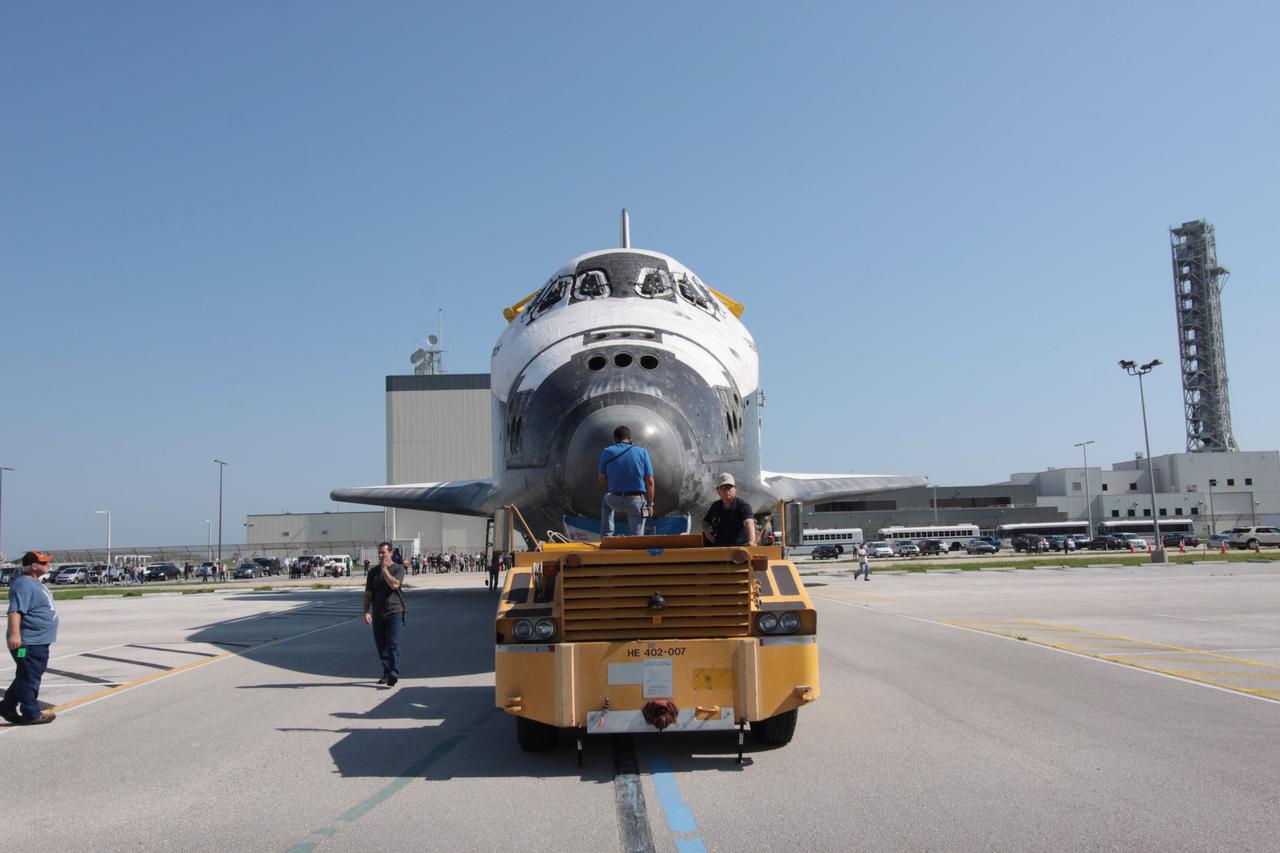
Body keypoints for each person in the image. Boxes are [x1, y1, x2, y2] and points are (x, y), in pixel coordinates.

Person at [2, 551, 60, 726]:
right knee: (30, 677)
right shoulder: (23, 585)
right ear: (34, 566)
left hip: (39, 640)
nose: (47, 566)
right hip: (28, 642)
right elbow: (15, 611)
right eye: (44, 563)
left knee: (26, 675)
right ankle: (30, 712)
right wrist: (15, 635)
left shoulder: (34, 583)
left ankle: (7, 706)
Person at [598, 425, 655, 538]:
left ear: (615, 439)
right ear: (630, 438)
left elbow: (601, 480)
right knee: (637, 537)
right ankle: (636, 542)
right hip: (636, 501)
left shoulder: (607, 452)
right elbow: (650, 481)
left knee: (606, 501)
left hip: (615, 500)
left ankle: (607, 537)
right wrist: (650, 504)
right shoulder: (642, 452)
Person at [363, 542, 406, 687]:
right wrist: (366, 611)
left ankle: (393, 673)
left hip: (395, 611)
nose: (381, 555)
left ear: (391, 553)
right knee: (382, 645)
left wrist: (385, 570)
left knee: (393, 643)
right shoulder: (372, 572)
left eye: (384, 552)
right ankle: (387, 672)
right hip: (378, 612)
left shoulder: (398, 568)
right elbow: (368, 594)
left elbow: (394, 585)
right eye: (380, 553)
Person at [702, 473, 758, 547]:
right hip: (720, 548)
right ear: (718, 491)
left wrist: (751, 542)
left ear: (735, 489)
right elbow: (705, 521)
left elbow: (749, 522)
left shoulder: (743, 505)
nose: (727, 490)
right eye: (723, 487)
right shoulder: (715, 506)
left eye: (730, 487)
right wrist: (706, 531)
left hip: (740, 549)